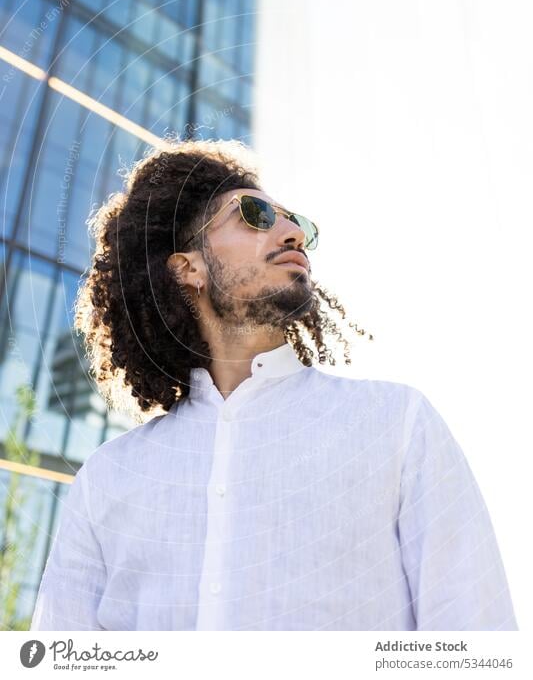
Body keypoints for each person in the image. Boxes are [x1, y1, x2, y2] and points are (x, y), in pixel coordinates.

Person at [31, 138, 518, 631]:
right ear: (188, 268)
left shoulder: (397, 425)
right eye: (255, 215)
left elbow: (474, 637)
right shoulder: (108, 478)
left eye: (297, 223)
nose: (292, 234)